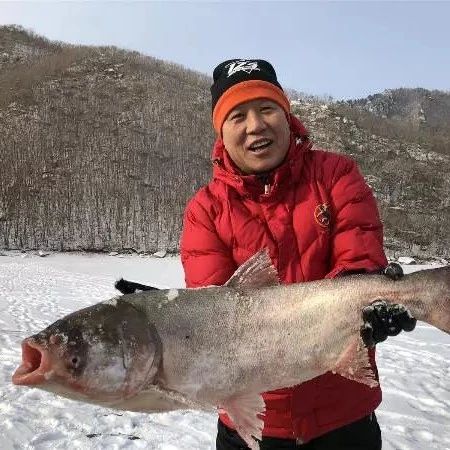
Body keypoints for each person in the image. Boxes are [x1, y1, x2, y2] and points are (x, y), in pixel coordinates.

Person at [180, 59, 416, 450]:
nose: (255, 125)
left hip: (343, 415)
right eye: (238, 115)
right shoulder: (205, 209)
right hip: (252, 423)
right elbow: (215, 316)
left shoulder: (335, 174)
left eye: (267, 108)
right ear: (221, 132)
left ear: (287, 117)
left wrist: (364, 302)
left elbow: (358, 260)